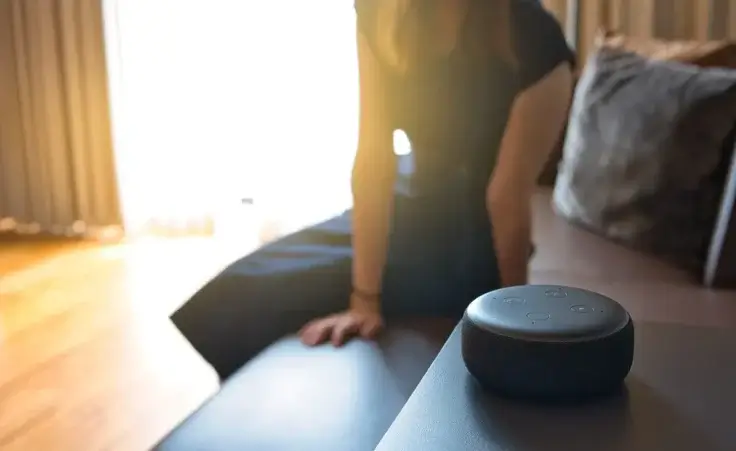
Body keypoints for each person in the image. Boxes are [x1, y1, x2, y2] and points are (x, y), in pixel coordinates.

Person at [172, 0, 575, 381]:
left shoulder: (535, 38)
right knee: (242, 290)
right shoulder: (382, 12)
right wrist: (364, 298)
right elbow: (374, 158)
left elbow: (505, 196)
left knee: (276, 297)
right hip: (408, 195)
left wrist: (512, 323)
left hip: (471, 233)